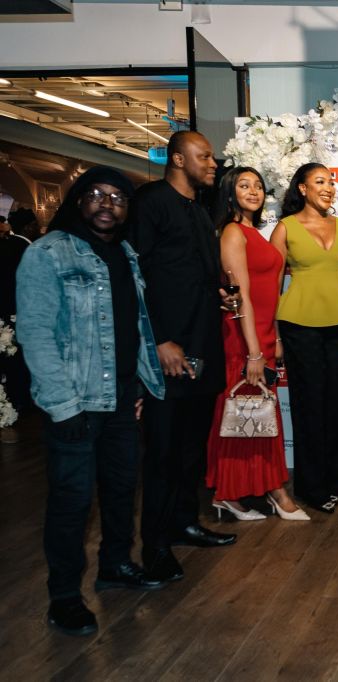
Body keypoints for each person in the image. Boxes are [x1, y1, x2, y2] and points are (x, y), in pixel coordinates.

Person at [16, 167, 166, 636]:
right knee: (72, 502)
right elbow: (36, 333)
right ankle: (64, 597)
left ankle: (116, 564)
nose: (108, 204)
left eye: (119, 198)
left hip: (120, 397)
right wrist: (63, 405)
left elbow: (133, 327)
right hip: (75, 400)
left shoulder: (124, 253)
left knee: (122, 489)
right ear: (79, 200)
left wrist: (139, 387)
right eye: (97, 195)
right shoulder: (49, 254)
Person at [130, 131, 236, 584]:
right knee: (162, 454)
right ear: (177, 158)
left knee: (190, 450)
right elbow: (135, 275)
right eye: (204, 156)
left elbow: (192, 273)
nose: (213, 164)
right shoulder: (151, 202)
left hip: (202, 348)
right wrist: (156, 339)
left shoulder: (198, 210)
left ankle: (183, 523)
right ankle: (153, 545)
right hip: (167, 351)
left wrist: (221, 295)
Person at [205, 167, 309, 522]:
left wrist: (274, 337)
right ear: (229, 193)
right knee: (243, 417)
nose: (253, 191)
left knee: (255, 418)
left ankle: (242, 492)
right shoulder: (233, 233)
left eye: (258, 186)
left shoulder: (255, 232)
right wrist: (253, 351)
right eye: (243, 185)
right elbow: (241, 296)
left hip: (261, 335)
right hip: (242, 339)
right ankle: (248, 492)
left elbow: (271, 292)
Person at [270, 163, 338, 514]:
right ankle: (312, 487)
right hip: (299, 325)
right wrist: (275, 335)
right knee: (309, 405)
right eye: (319, 182)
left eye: (331, 182)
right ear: (302, 189)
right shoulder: (285, 228)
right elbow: (272, 283)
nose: (328, 188)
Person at [0, 214, 31, 444]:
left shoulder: (14, 245)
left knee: (12, 357)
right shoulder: (21, 246)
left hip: (9, 310)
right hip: (13, 309)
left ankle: (15, 398)